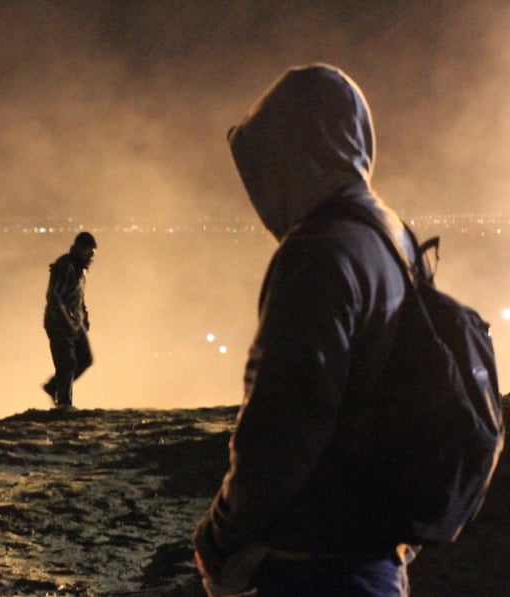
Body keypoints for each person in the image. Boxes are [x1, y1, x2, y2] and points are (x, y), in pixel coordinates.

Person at [193, 64, 421, 596]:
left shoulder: (318, 253)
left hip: (316, 565)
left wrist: (219, 536)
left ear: (297, 155)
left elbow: (282, 425)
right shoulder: (392, 238)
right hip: (379, 557)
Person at [42, 231, 97, 409]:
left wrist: (84, 317)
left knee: (85, 359)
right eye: (89, 252)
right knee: (67, 363)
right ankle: (64, 403)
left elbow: (79, 297)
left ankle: (53, 387)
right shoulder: (65, 265)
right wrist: (65, 319)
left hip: (75, 322)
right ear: (79, 248)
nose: (91, 256)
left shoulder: (81, 269)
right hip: (58, 322)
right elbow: (54, 295)